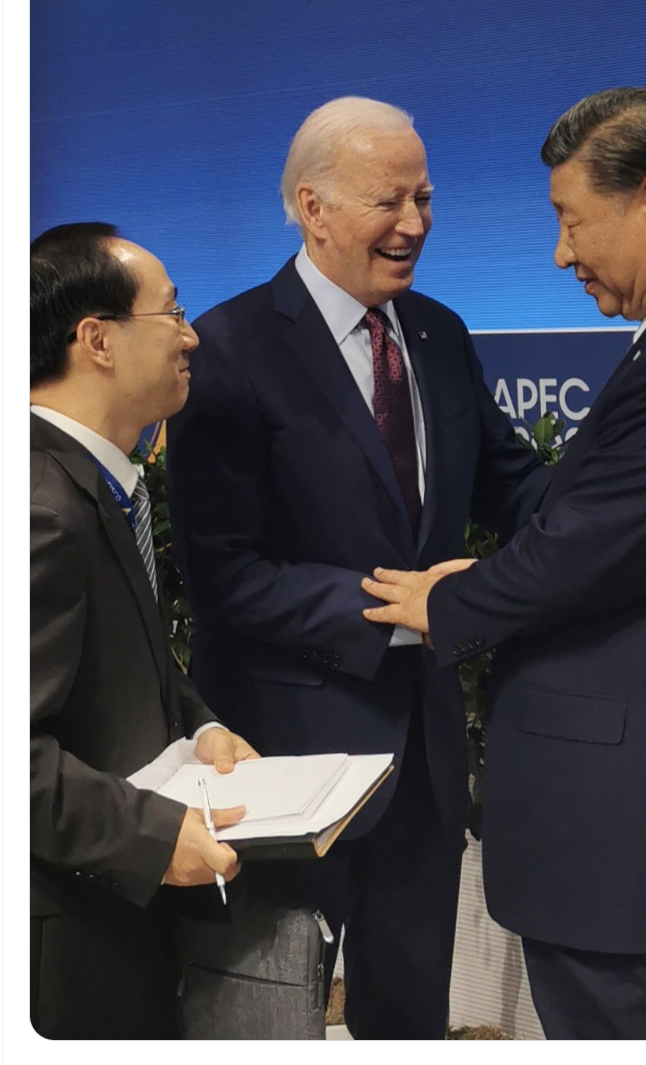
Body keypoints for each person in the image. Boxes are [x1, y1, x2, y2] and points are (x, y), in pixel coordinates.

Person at [361, 87, 646, 1040]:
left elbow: (580, 553)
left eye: (571, 221)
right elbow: (620, 534)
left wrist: (448, 601)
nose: (560, 254)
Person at [165, 96, 546, 1040]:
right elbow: (224, 577)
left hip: (422, 765)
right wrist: (399, 609)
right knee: (266, 1023)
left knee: (408, 1021)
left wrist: (628, 507)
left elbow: (516, 487)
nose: (414, 223)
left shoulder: (441, 334)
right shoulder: (227, 351)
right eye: (389, 200)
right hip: (282, 760)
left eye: (426, 198)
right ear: (313, 207)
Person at [30, 223, 258, 1039]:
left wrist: (199, 727)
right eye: (173, 314)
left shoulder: (95, 479)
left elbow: (113, 656)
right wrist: (153, 837)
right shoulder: (41, 507)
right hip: (63, 952)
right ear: (97, 340)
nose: (191, 337)